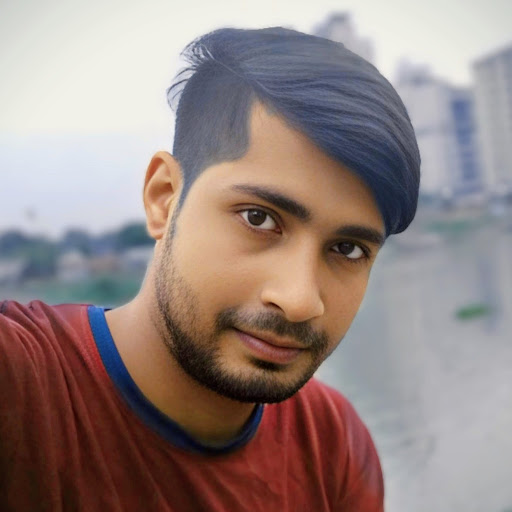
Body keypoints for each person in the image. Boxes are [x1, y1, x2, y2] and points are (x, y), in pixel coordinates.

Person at [0, 27, 420, 511]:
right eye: (258, 218)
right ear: (164, 199)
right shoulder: (24, 384)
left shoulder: (333, 441)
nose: (300, 300)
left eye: (347, 249)